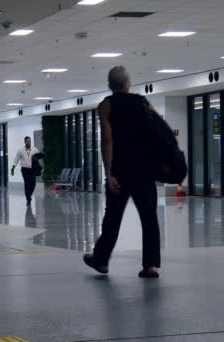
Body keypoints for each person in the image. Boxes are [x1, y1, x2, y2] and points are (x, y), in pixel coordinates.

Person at [84, 66, 161, 279]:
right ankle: (151, 266)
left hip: (121, 170)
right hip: (145, 170)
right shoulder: (143, 103)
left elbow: (107, 140)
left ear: (109, 85)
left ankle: (101, 261)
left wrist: (109, 173)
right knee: (149, 217)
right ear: (129, 83)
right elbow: (156, 132)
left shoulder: (106, 106)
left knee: (113, 217)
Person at [11, 136, 40, 206]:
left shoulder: (34, 149)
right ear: (24, 142)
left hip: (32, 169)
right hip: (25, 170)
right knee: (27, 184)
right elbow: (16, 159)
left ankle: (28, 195)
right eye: (27, 141)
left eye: (30, 141)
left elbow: (39, 156)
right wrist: (13, 168)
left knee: (33, 184)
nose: (29, 142)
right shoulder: (21, 150)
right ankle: (28, 199)